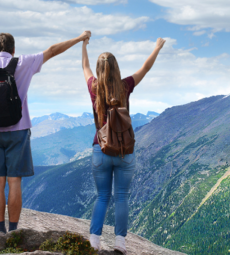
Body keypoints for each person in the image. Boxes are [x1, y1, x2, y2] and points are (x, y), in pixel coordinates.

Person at [0, 29, 91, 234]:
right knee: (14, 182)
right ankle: (13, 231)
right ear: (13, 49)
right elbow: (53, 50)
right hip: (18, 129)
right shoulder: (24, 63)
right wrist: (79, 38)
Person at [81, 36, 165, 254]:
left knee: (102, 196)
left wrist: (83, 44)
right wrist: (156, 47)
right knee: (121, 197)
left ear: (100, 70)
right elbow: (145, 68)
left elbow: (85, 67)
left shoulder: (94, 87)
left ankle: (94, 242)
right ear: (117, 68)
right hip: (124, 151)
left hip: (101, 150)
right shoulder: (125, 85)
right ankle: (120, 243)